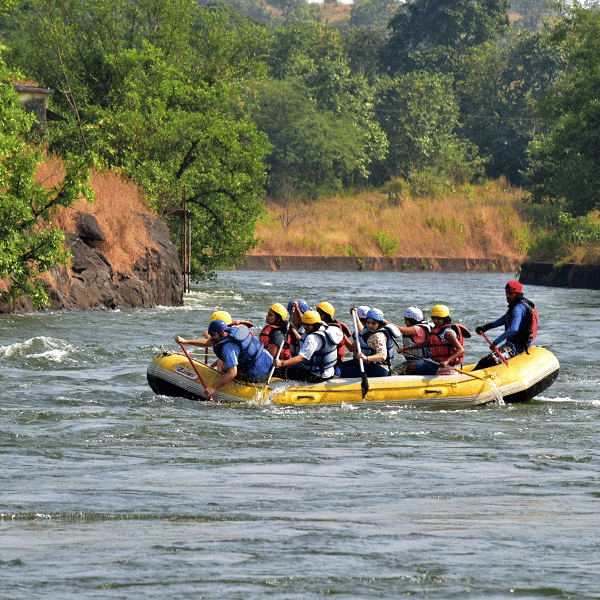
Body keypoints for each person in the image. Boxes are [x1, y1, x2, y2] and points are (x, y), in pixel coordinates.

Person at [474, 280, 538, 370]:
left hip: (517, 346)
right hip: (514, 344)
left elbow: (513, 329)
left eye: (510, 293)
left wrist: (495, 343)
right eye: (506, 292)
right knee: (483, 361)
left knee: (488, 361)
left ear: (517, 293)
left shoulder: (518, 309)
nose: (507, 296)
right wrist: (485, 327)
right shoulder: (518, 305)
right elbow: (504, 319)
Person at [204, 319, 274, 396]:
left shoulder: (228, 348)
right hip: (270, 363)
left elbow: (232, 373)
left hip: (258, 374)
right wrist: (188, 342)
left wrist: (213, 388)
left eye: (213, 335)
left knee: (222, 365)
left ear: (222, 333)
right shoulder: (236, 329)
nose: (211, 337)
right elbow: (209, 342)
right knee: (225, 361)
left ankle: (233, 385)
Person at [274, 310, 343, 383]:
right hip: (329, 372)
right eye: (304, 324)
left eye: (308, 325)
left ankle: (292, 389)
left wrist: (281, 363)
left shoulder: (312, 338)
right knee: (296, 365)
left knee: (289, 370)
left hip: (318, 376)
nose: (305, 327)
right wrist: (291, 327)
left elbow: (301, 358)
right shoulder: (325, 328)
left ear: (315, 324)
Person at [399, 304, 470, 375]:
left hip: (446, 366)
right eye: (433, 318)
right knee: (411, 366)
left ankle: (413, 384)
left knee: (411, 367)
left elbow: (461, 350)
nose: (435, 321)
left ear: (445, 319)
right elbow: (427, 343)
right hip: (436, 362)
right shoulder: (437, 330)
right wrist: (406, 348)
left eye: (438, 318)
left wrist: (447, 361)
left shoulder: (448, 333)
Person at [341, 308, 394, 378]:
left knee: (345, 371)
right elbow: (361, 331)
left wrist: (366, 358)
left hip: (380, 369)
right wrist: (355, 316)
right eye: (368, 322)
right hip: (371, 365)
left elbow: (382, 356)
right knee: (340, 367)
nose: (370, 325)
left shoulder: (379, 336)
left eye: (373, 323)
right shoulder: (370, 331)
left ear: (379, 323)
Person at [316, 301, 352, 375]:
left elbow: (350, 347)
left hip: (334, 364)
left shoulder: (336, 329)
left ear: (327, 315)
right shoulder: (319, 327)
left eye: (320, 314)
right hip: (325, 363)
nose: (318, 316)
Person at [394, 307, 431, 374]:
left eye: (406, 320)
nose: (404, 322)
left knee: (395, 371)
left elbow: (400, 329)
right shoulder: (418, 328)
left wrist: (384, 322)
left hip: (421, 362)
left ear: (412, 321)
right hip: (413, 361)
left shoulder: (418, 329)